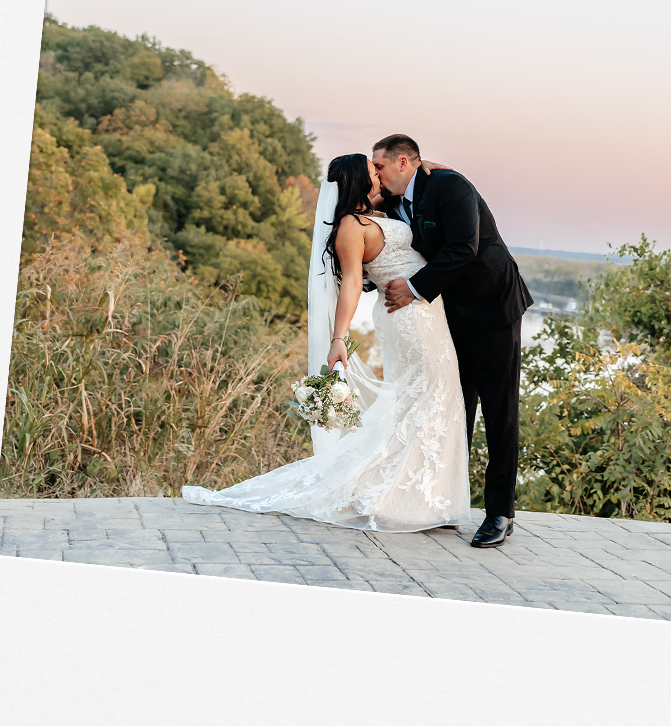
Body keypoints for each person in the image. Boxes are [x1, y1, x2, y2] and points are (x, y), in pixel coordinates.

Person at [181, 153, 471, 532]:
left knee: (435, 395)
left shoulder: (378, 210)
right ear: (356, 179)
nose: (379, 177)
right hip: (406, 317)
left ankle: (421, 497)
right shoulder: (351, 226)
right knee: (426, 394)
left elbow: (408, 186)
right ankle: (392, 496)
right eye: (372, 172)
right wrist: (339, 338)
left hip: (427, 310)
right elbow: (351, 283)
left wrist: (427, 167)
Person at [371, 133, 532, 548]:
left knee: (500, 413)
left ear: (404, 162)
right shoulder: (392, 202)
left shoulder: (450, 185)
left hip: (493, 308)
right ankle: (444, 502)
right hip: (446, 318)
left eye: (381, 166)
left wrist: (412, 288)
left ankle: (500, 513)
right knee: (452, 407)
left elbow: (464, 247)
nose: (377, 173)